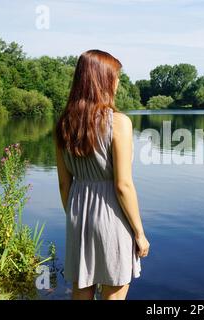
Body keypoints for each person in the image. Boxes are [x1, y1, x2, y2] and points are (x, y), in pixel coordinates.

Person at [54, 49, 149, 300]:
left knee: (81, 292)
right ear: (103, 80)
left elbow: (64, 184)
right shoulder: (119, 123)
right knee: (113, 295)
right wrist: (139, 233)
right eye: (116, 76)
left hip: (78, 213)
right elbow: (123, 185)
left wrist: (77, 215)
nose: (118, 82)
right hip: (111, 215)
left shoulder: (63, 124)